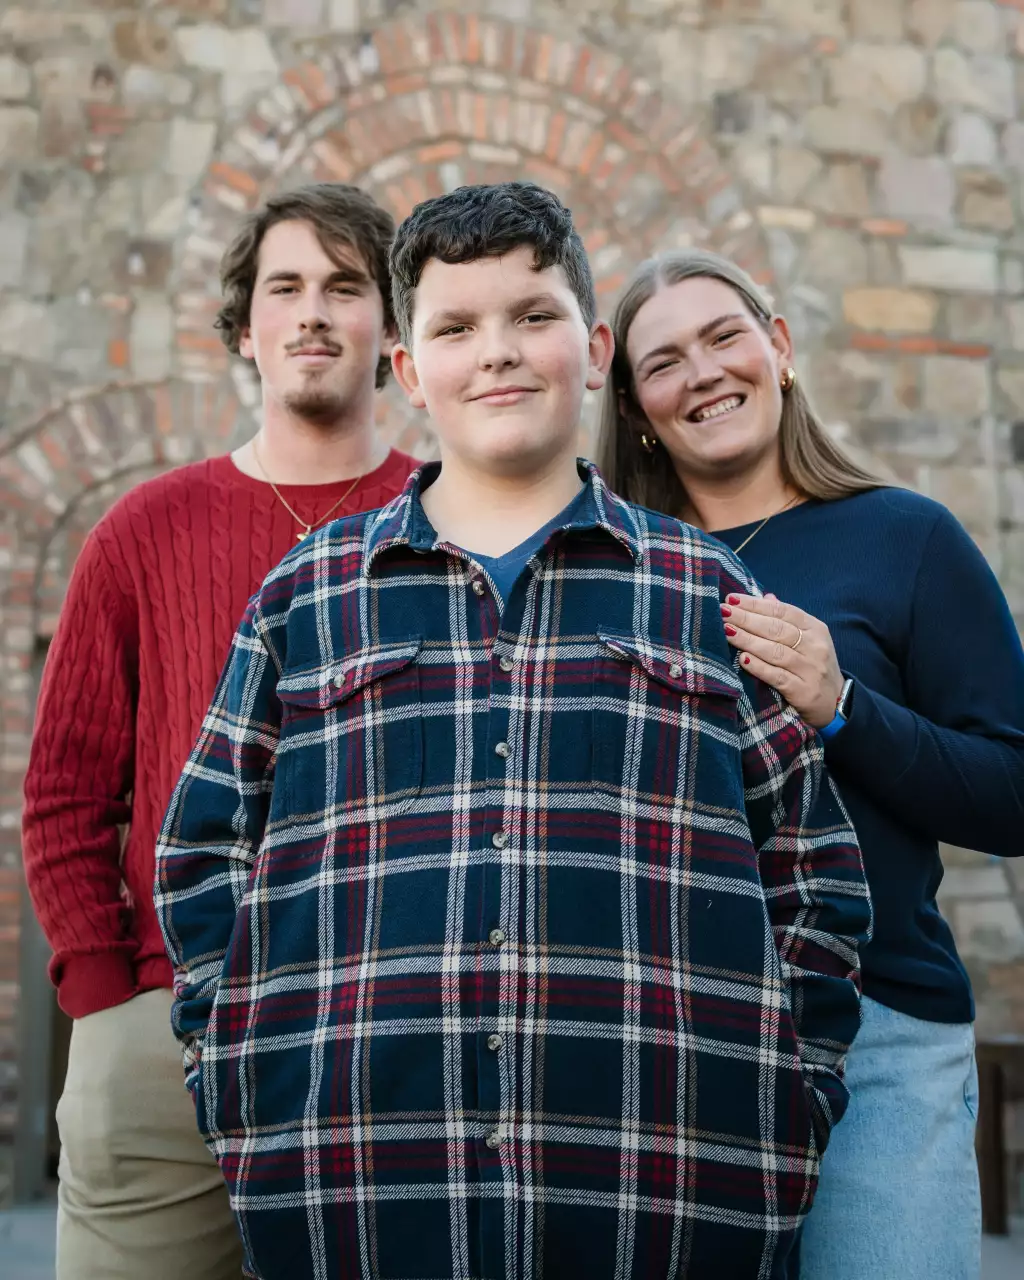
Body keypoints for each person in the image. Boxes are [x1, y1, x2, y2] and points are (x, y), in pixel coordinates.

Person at [155, 181, 870, 1280]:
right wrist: (239, 1087)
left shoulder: (703, 592)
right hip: (356, 1187)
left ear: (592, 352)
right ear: (407, 371)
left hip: (667, 1192)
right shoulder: (309, 596)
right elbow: (204, 854)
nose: (497, 352)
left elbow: (814, 875)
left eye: (532, 317)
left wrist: (791, 1102)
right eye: (455, 326)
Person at [597, 246, 1024, 1280]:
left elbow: (1013, 796)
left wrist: (843, 707)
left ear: (778, 349)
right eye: (663, 362)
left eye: (723, 336)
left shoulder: (903, 537)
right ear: (636, 405)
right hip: (668, 1042)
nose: (700, 373)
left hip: (879, 1034)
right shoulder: (612, 573)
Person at [22, 182, 419, 1280]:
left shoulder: (443, 521)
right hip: (166, 1031)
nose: (313, 314)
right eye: (284, 287)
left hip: (390, 1041)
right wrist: (110, 1003)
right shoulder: (141, 532)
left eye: (346, 289)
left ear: (390, 332)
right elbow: (63, 794)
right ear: (245, 329)